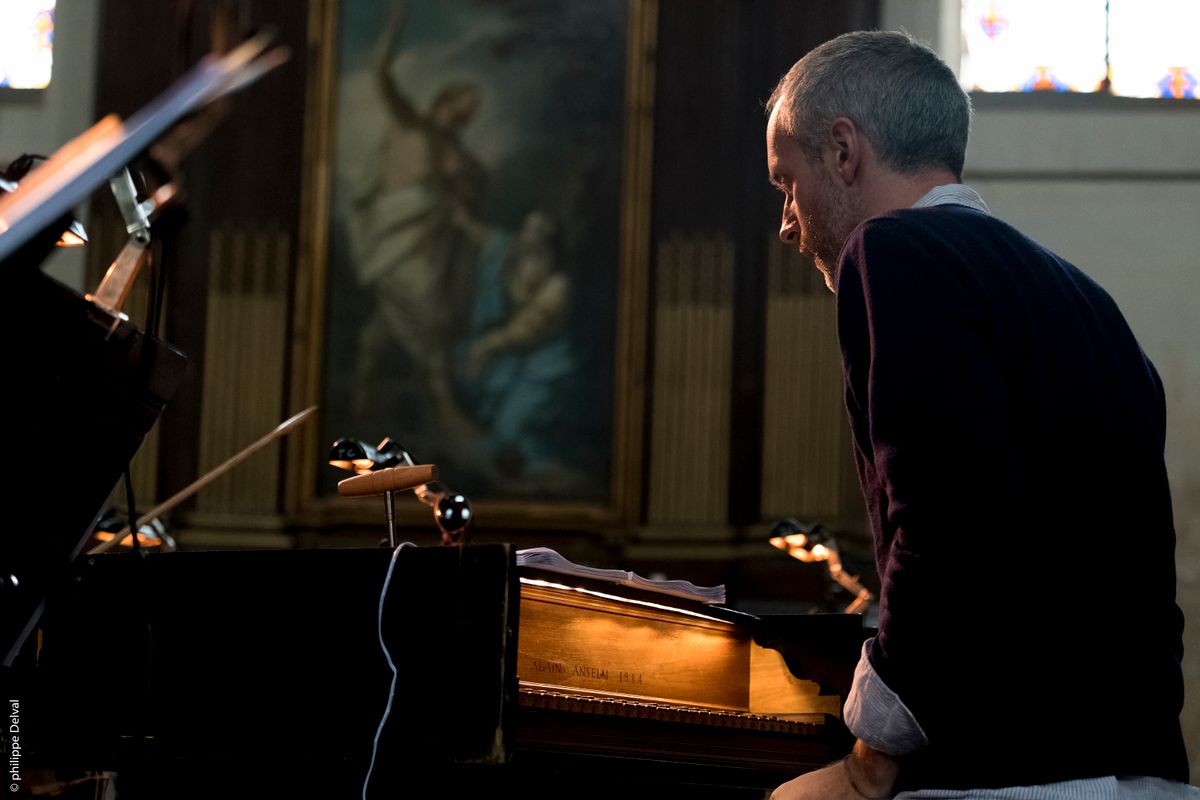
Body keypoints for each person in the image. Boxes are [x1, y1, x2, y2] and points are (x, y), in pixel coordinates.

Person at [763, 30, 1194, 799]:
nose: (788, 224)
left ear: (843, 151)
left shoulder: (892, 250)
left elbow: (946, 525)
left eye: (786, 184)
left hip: (1003, 771)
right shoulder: (1086, 299)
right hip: (1137, 768)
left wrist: (869, 763)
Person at [346, 0, 486, 435]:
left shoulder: (456, 152)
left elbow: (468, 196)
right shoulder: (410, 122)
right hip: (394, 234)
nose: (463, 118)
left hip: (426, 242)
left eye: (469, 115)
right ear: (443, 101)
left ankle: (363, 390)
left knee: (391, 321)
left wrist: (463, 196)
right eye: (460, 107)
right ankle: (443, 404)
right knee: (428, 316)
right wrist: (395, 20)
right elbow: (381, 71)